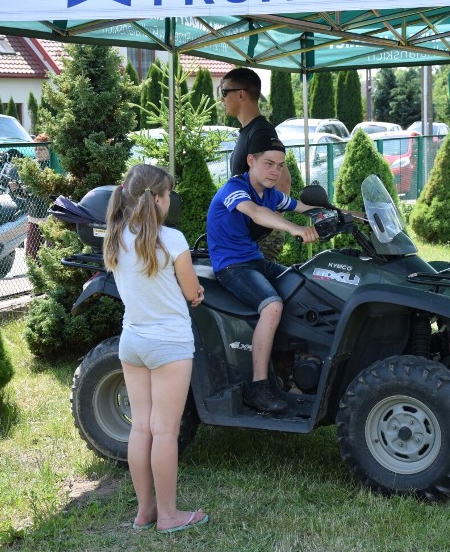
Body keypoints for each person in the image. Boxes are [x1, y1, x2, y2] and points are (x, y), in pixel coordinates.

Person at [103, 164, 209, 534]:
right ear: (160, 199)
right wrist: (196, 294)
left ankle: (144, 512)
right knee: (165, 431)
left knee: (141, 429)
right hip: (169, 344)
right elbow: (191, 289)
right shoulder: (174, 240)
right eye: (169, 195)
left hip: (132, 343)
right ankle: (168, 516)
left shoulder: (116, 237)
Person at [206, 132, 319, 413]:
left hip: (254, 261)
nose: (275, 171)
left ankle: (290, 366)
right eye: (269, 164)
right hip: (231, 266)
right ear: (250, 161)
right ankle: (258, 386)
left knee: (303, 285)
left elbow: (302, 207)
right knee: (271, 306)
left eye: (280, 166)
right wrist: (293, 228)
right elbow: (255, 213)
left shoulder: (270, 194)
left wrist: (343, 214)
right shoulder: (234, 189)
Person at [220, 68, 291, 261]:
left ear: (241, 94)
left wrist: (268, 228)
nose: (222, 99)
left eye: (224, 92)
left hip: (259, 239)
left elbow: (283, 180)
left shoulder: (260, 133)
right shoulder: (250, 131)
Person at [24, 132, 52, 260]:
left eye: (41, 149)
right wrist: (18, 188)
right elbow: (25, 193)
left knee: (51, 252)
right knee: (31, 254)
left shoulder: (53, 166)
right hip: (34, 215)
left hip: (51, 216)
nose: (38, 151)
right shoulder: (32, 166)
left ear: (49, 149)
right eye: (36, 148)